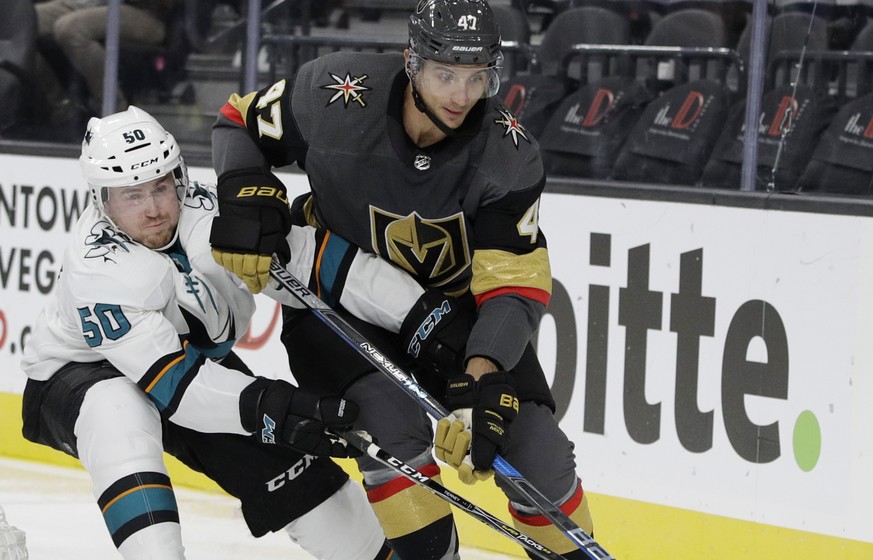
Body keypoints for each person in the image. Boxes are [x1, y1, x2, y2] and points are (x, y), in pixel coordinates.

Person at [209, 0, 595, 558]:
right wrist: (246, 188)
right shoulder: (335, 93)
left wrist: (479, 376)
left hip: (450, 317)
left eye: (477, 77)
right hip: (339, 302)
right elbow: (238, 120)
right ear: (411, 62)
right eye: (445, 75)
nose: (462, 96)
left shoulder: (508, 154)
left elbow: (513, 284)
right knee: (390, 431)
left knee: (538, 453)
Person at [17, 105, 450, 559]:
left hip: (191, 366)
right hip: (79, 374)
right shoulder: (99, 271)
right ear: (101, 200)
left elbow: (315, 263)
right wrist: (274, 406)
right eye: (132, 195)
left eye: (161, 187)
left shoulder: (214, 214)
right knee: (117, 412)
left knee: (308, 488)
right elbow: (178, 389)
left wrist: (422, 313)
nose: (153, 210)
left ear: (179, 177)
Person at [35, 0, 177, 116]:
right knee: (27, 20)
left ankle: (115, 110)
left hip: (146, 12)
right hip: (87, 4)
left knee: (70, 28)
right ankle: (57, 105)